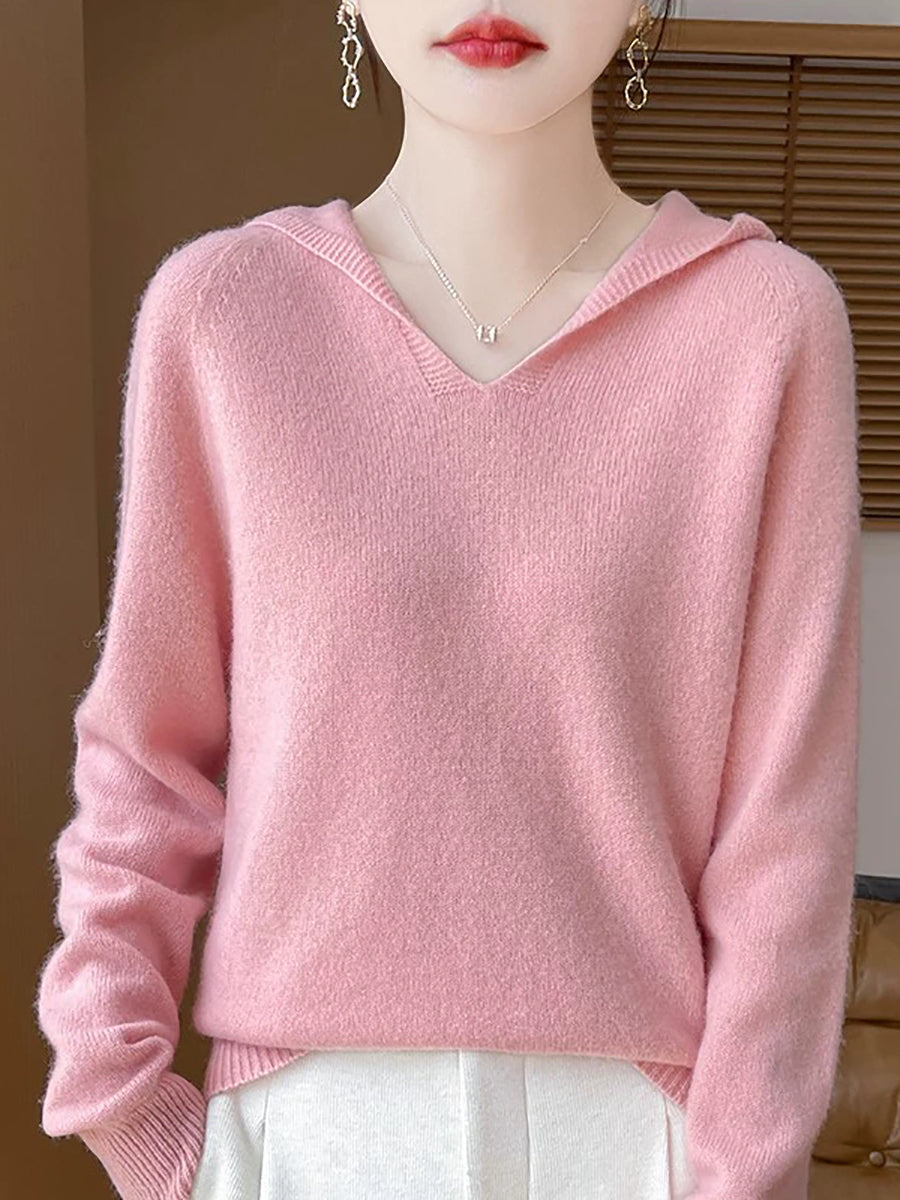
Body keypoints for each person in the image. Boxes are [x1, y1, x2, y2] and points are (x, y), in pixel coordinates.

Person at [36, 2, 862, 1199]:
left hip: (641, 1144)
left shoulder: (764, 324)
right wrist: (120, 1103)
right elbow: (143, 758)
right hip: (297, 1136)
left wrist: (742, 1177)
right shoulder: (225, 311)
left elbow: (788, 825)